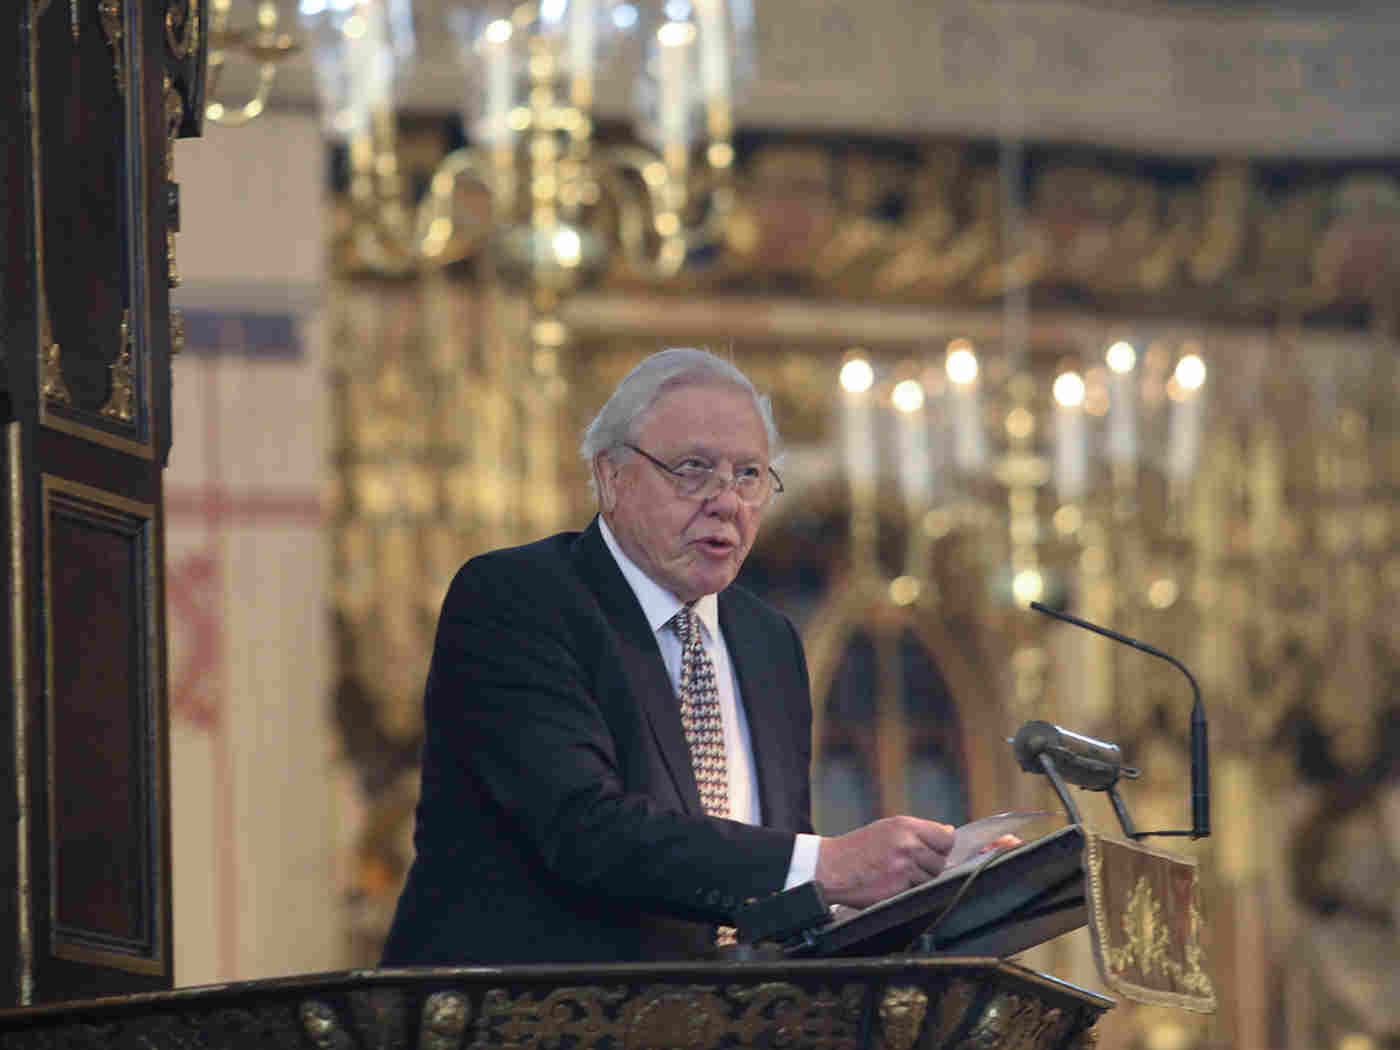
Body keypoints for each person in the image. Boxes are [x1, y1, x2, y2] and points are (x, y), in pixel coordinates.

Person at [380, 347, 960, 965]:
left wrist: (887, 895)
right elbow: (584, 830)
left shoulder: (770, 643)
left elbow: (761, 883)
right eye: (692, 468)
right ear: (610, 478)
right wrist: (829, 862)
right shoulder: (518, 599)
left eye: (750, 476)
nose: (727, 501)